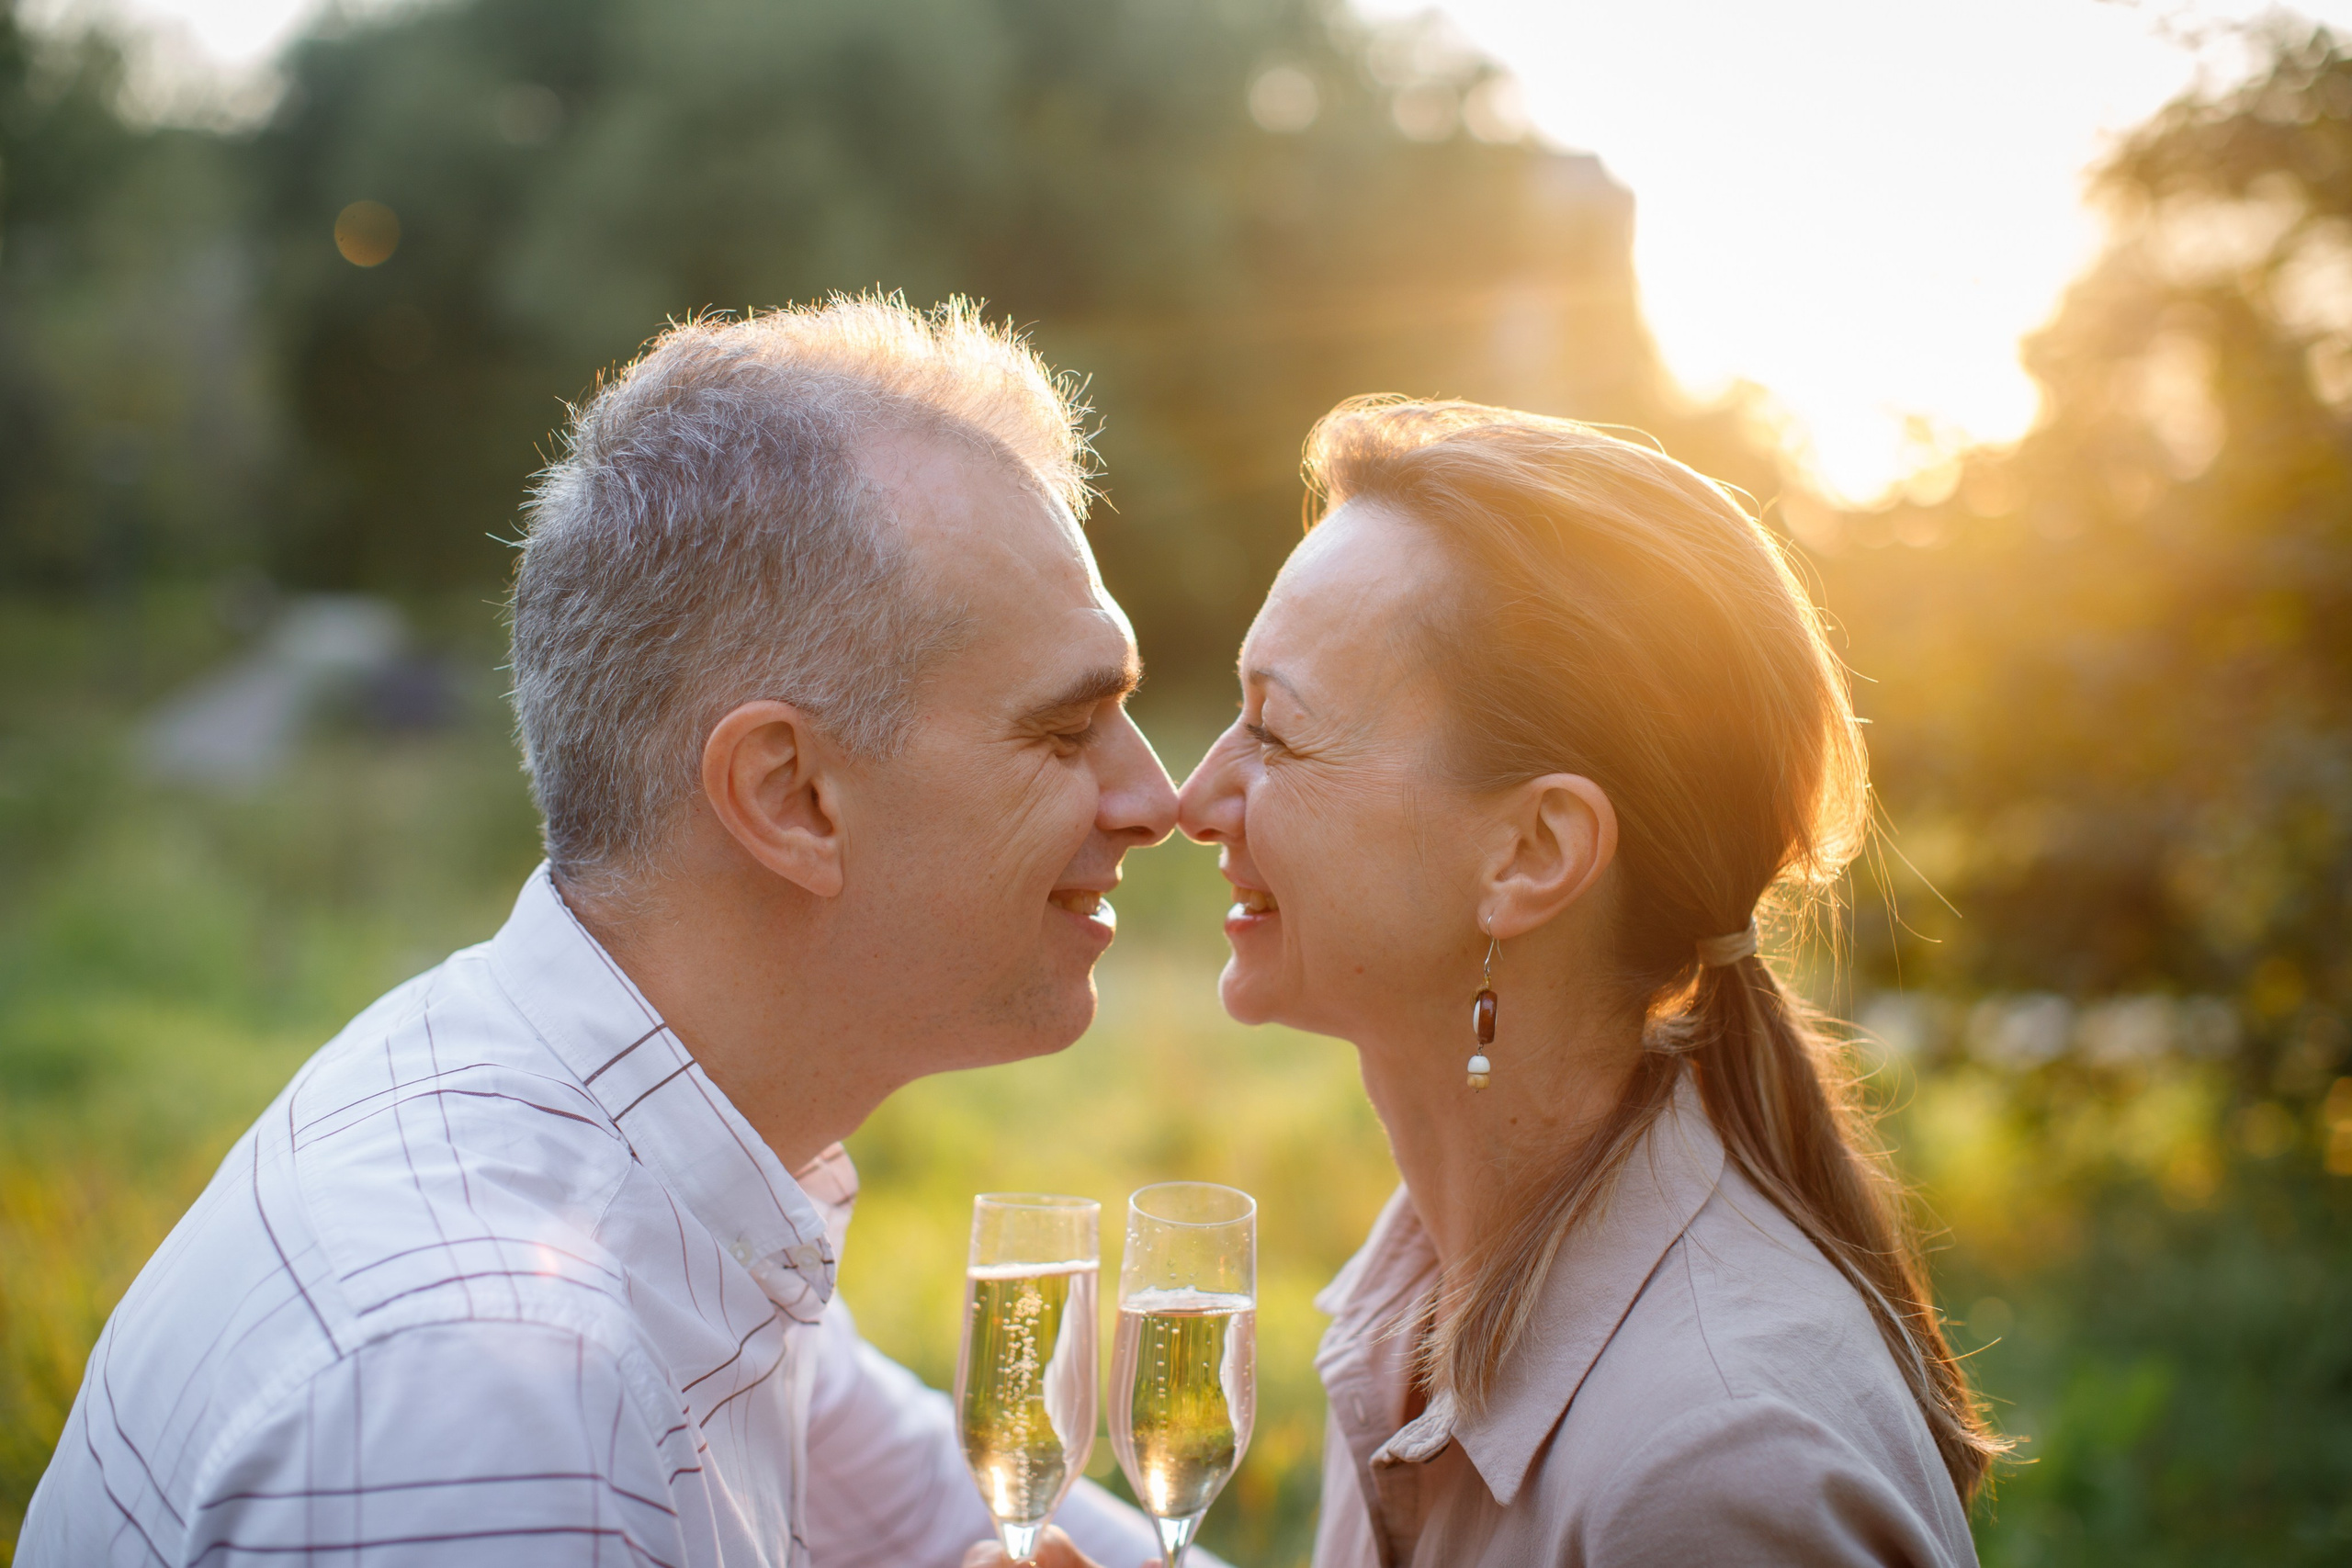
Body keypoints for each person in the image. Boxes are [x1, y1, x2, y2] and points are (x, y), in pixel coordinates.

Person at [20, 298, 1203, 1568]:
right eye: (1068, 729)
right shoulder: (499, 1390)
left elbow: (930, 1509)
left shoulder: (672, 1170)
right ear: (791, 797)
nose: (1157, 799)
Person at [1149, 397, 1996, 1565]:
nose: (1191, 802)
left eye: (1275, 734)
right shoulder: (1445, 1281)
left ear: (1532, 854)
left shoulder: (1713, 1486)